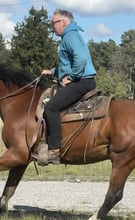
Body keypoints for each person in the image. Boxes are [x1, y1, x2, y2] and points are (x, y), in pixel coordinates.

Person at [41, 9, 97, 164]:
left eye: (53, 23)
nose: (52, 26)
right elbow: (69, 65)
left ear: (63, 23)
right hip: (83, 79)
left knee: (51, 107)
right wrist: (52, 72)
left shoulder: (70, 35)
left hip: (81, 81)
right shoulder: (70, 35)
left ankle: (54, 150)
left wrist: (71, 77)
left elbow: (81, 59)